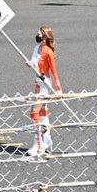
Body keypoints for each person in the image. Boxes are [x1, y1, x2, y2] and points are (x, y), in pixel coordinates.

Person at [27, 25, 63, 157]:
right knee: (42, 112)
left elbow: (54, 72)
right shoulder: (36, 48)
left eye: (39, 34)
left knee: (34, 112)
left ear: (45, 37)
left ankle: (37, 144)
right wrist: (30, 64)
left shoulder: (49, 52)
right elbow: (33, 63)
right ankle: (46, 140)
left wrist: (59, 89)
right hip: (37, 82)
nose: (37, 35)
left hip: (45, 85)